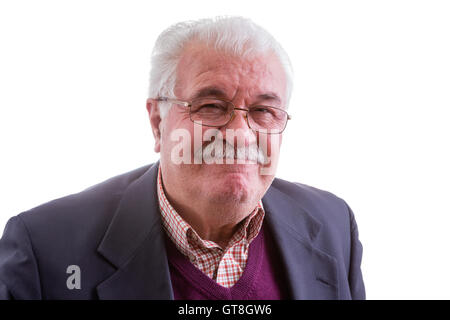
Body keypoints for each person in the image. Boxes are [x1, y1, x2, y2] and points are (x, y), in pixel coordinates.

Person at [0, 16, 365, 300]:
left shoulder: (334, 226)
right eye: (210, 106)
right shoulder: (44, 249)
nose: (240, 133)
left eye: (264, 111)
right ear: (158, 123)